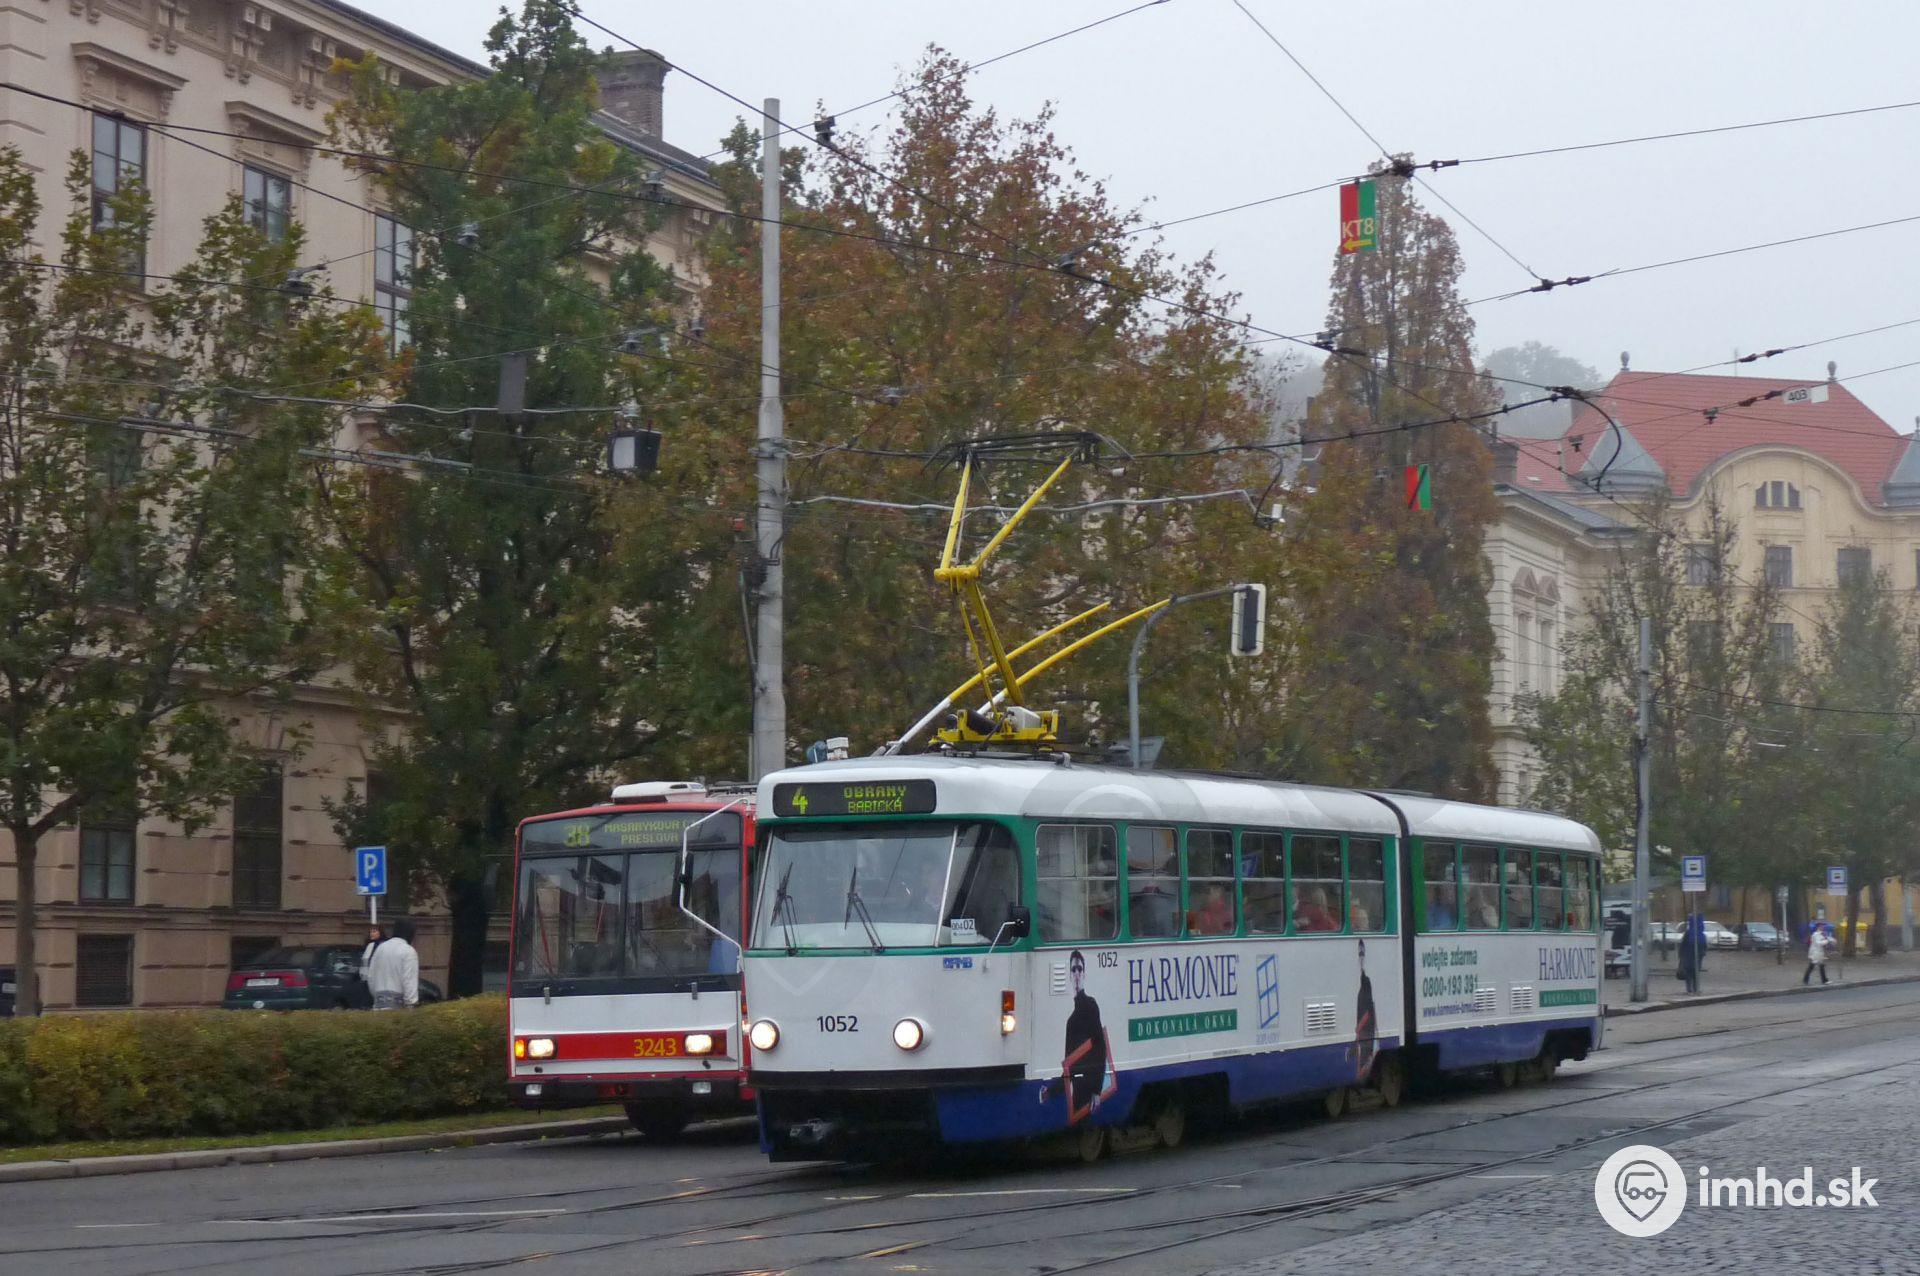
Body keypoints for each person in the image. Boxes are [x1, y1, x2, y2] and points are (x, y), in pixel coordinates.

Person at [1040, 949, 1114, 1124]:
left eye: (1080, 969)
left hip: (1089, 1090)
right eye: (1073, 970)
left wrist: (1097, 1091)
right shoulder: (1071, 1021)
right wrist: (1050, 1092)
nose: (1077, 974)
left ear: (1084, 974)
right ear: (1069, 975)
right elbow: (1070, 1067)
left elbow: (1100, 1046)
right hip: (1078, 1096)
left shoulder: (1090, 1005)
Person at [367, 917, 420, 1009]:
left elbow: (371, 976)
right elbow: (409, 980)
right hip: (398, 1009)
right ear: (411, 934)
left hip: (378, 1006)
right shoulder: (409, 951)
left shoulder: (381, 948)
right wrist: (411, 1003)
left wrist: (377, 996)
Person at [1352, 940, 1377, 1082]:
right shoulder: (1360, 985)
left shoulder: (1366, 984)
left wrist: (1358, 1028)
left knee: (1363, 1059)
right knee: (1360, 1058)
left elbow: (1368, 1011)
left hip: (1366, 1032)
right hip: (1363, 1032)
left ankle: (1361, 1077)